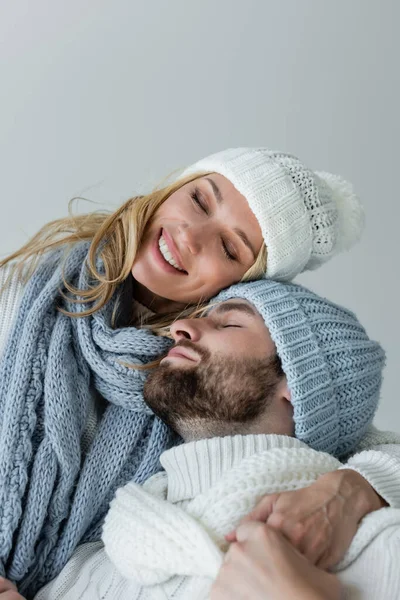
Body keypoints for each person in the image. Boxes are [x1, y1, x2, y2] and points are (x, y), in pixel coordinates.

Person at [0, 147, 396, 597]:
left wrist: (350, 490)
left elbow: (357, 428)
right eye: (199, 200)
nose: (191, 236)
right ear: (174, 188)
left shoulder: (200, 381)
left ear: (245, 283)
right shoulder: (27, 294)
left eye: (229, 247)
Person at [33, 279, 400, 600]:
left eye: (229, 322)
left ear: (301, 385)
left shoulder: (371, 545)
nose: (180, 326)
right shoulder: (95, 565)